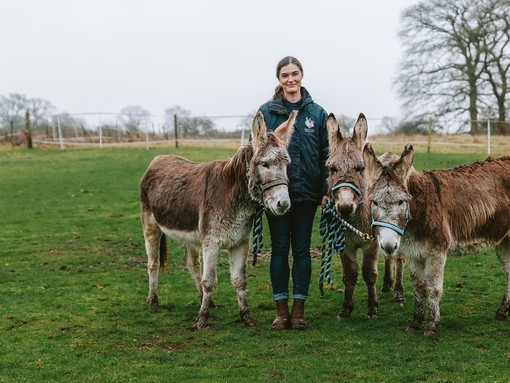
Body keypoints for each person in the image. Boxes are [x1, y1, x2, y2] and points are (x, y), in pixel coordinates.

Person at [258, 56, 329, 330]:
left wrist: (325, 190)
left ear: (302, 76)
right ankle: (280, 311)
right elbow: (258, 154)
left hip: (307, 193)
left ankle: (299, 311)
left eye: (295, 74)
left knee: (301, 250)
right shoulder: (267, 112)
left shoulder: (317, 114)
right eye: (285, 75)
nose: (291, 79)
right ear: (279, 79)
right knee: (279, 250)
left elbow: (326, 154)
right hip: (275, 194)